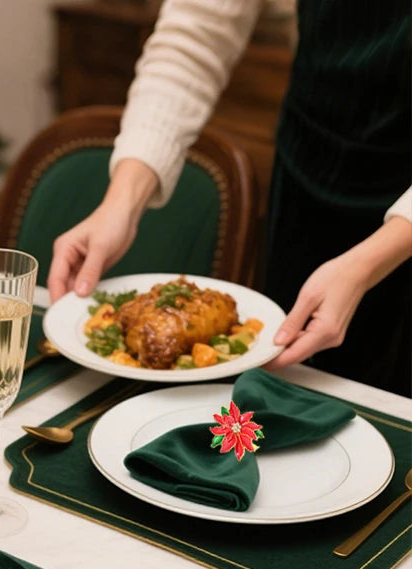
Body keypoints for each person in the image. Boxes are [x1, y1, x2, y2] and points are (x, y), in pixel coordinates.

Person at [48, 0, 412, 396]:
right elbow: (196, 35)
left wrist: (366, 264)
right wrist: (121, 202)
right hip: (308, 169)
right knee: (280, 401)